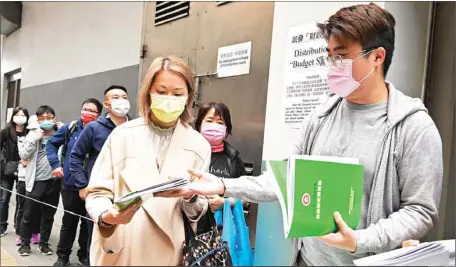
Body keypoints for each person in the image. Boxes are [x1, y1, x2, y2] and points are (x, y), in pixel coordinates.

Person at [158, 4, 443, 266]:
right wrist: (222, 185)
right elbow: (286, 182)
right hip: (307, 260)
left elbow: (419, 211)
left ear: (377, 57)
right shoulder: (320, 116)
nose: (333, 66)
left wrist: (361, 241)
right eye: (329, 56)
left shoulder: (412, 127)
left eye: (342, 56)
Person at [84, 56, 210, 265]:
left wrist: (191, 198)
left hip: (171, 253)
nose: (169, 99)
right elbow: (97, 192)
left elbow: (198, 211)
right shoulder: (122, 135)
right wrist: (107, 215)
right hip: (124, 249)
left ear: (188, 97)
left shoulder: (199, 145)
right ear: (148, 92)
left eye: (177, 93)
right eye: (161, 92)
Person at [69, 85, 130, 264]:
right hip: (101, 193)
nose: (121, 101)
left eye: (124, 97)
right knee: (98, 236)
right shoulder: (94, 128)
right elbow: (76, 156)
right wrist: (82, 185)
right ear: (107, 104)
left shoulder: (135, 128)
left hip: (127, 193)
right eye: (116, 97)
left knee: (126, 237)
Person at [46, 98, 103, 266]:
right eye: (85, 109)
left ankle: (84, 254)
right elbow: (51, 144)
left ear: (99, 115)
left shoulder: (100, 131)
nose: (87, 113)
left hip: (93, 186)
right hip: (71, 185)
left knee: (89, 223)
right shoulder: (70, 128)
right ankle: (62, 256)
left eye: (92, 111)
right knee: (69, 221)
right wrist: (55, 165)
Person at [18, 105, 63, 257]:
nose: (46, 121)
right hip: (36, 180)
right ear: (37, 120)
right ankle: (24, 244)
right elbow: (23, 154)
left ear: (54, 118)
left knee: (49, 214)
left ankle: (44, 243)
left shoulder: (61, 133)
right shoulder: (33, 134)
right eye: (42, 118)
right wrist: (34, 139)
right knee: (29, 214)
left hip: (55, 180)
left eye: (49, 117)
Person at [0, 107, 29, 237]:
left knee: (21, 199)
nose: (20, 117)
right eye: (17, 115)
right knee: (4, 198)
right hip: (7, 170)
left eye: (23, 115)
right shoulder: (6, 132)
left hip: (24, 170)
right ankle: (2, 225)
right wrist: (4, 162)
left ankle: (19, 227)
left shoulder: (30, 132)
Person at [14, 115, 41, 246]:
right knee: (22, 207)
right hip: (23, 178)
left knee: (37, 208)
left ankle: (35, 233)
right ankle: (20, 233)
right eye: (33, 128)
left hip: (38, 179)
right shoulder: (23, 139)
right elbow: (23, 157)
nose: (35, 130)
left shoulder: (44, 139)